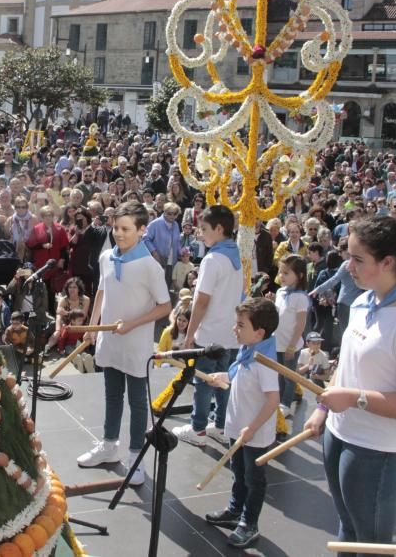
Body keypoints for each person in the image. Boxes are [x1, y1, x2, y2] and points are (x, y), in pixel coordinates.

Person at [303, 216, 396, 557]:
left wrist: (351, 398)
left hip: (379, 448)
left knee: (371, 542)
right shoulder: (364, 300)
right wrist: (323, 409)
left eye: (358, 259)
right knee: (348, 527)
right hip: (341, 431)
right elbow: (346, 365)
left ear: (388, 262)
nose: (349, 266)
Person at [77, 202, 171, 486]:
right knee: (112, 394)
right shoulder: (106, 257)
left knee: (138, 402)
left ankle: (135, 456)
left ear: (142, 230)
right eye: (116, 227)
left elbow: (165, 306)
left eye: (126, 229)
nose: (119, 233)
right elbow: (101, 292)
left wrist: (133, 323)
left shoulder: (150, 266)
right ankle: (108, 445)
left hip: (136, 343)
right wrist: (92, 327)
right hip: (110, 340)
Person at [202, 297, 280, 549]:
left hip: (254, 433)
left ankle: (249, 522)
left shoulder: (265, 363)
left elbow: (272, 401)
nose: (234, 329)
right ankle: (235, 511)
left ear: (259, 333)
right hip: (238, 428)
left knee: (254, 479)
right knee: (239, 473)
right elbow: (238, 379)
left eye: (240, 325)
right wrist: (222, 377)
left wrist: (253, 428)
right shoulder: (248, 353)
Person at [174, 204, 243, 447]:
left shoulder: (213, 259)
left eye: (204, 229)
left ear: (219, 228)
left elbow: (201, 302)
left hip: (210, 333)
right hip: (230, 333)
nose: (200, 234)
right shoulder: (235, 255)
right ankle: (220, 425)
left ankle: (198, 429)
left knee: (203, 382)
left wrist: (189, 334)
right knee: (223, 381)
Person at [272, 254, 310, 421]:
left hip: (290, 344)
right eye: (281, 272)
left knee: (289, 375)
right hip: (277, 342)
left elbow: (300, 324)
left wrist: (292, 346)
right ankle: (278, 400)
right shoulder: (280, 292)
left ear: (299, 275)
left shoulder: (300, 297)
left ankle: (286, 403)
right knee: (278, 374)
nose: (282, 276)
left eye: (286, 273)